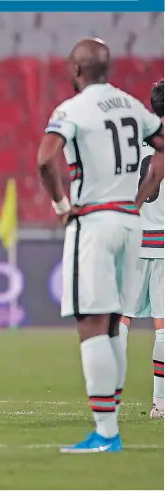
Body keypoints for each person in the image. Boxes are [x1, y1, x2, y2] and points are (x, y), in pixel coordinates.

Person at [36, 38, 164, 453]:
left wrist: (61, 204)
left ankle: (106, 431)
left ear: (76, 71)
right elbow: (161, 143)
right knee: (114, 326)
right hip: (132, 224)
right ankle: (114, 420)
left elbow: (44, 158)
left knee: (95, 323)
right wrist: (142, 188)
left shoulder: (71, 110)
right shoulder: (132, 106)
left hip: (94, 218)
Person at [120, 80, 165, 419]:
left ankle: (109, 401)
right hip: (163, 247)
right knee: (162, 328)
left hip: (134, 242)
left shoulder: (133, 142)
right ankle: (160, 404)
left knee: (121, 323)